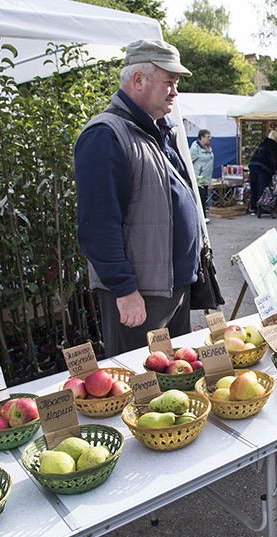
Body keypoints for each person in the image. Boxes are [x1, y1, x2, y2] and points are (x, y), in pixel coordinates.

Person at [74, 39, 202, 358]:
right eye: (169, 82)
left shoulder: (158, 131)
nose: (175, 91)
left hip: (173, 288)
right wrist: (124, 288)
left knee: (175, 382)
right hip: (142, 296)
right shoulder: (105, 135)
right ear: (138, 80)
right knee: (142, 388)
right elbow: (98, 226)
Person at [248, 130, 277, 214]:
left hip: (253, 165)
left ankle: (253, 207)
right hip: (263, 168)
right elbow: (273, 159)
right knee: (263, 187)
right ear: (276, 138)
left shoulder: (263, 143)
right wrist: (276, 169)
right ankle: (262, 207)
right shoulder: (274, 146)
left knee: (254, 186)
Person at [190, 129, 214, 220]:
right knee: (201, 198)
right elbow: (188, 161)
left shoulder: (208, 147)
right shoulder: (195, 148)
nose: (209, 139)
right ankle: (201, 217)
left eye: (210, 136)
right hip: (199, 178)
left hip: (206, 178)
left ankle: (202, 216)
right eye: (208, 137)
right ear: (202, 137)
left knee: (204, 197)